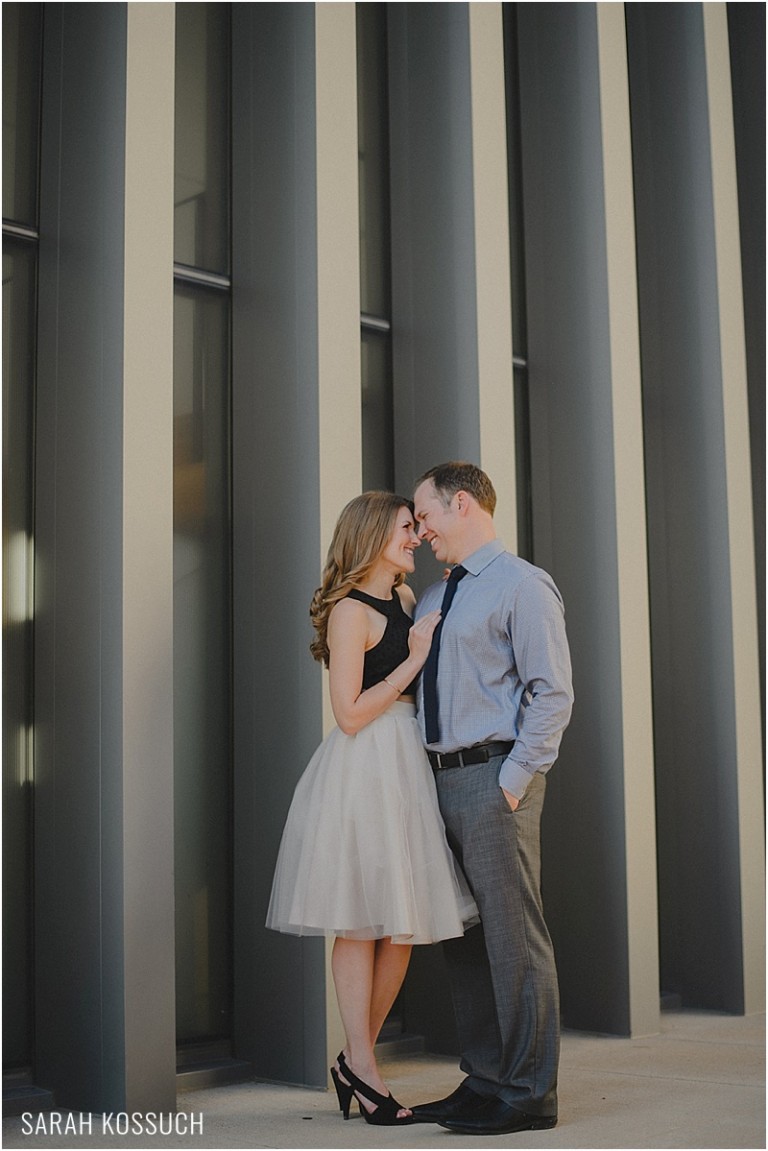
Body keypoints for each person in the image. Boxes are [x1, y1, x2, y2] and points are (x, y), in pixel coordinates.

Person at [266, 491, 478, 1127]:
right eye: (406, 528)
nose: (415, 536)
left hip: (407, 765)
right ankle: (364, 1063)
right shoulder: (347, 611)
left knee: (402, 925)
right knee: (360, 922)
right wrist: (411, 660)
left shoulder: (410, 600)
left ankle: (356, 1061)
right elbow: (350, 714)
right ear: (371, 537)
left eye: (417, 527)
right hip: (364, 768)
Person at [409, 461, 573, 1136]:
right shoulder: (432, 597)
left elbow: (552, 693)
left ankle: (530, 1092)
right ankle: (484, 1080)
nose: (420, 532)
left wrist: (510, 783)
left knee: (514, 941)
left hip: (493, 778)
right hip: (439, 782)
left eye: (426, 516)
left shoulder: (522, 585)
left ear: (465, 505)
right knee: (466, 939)